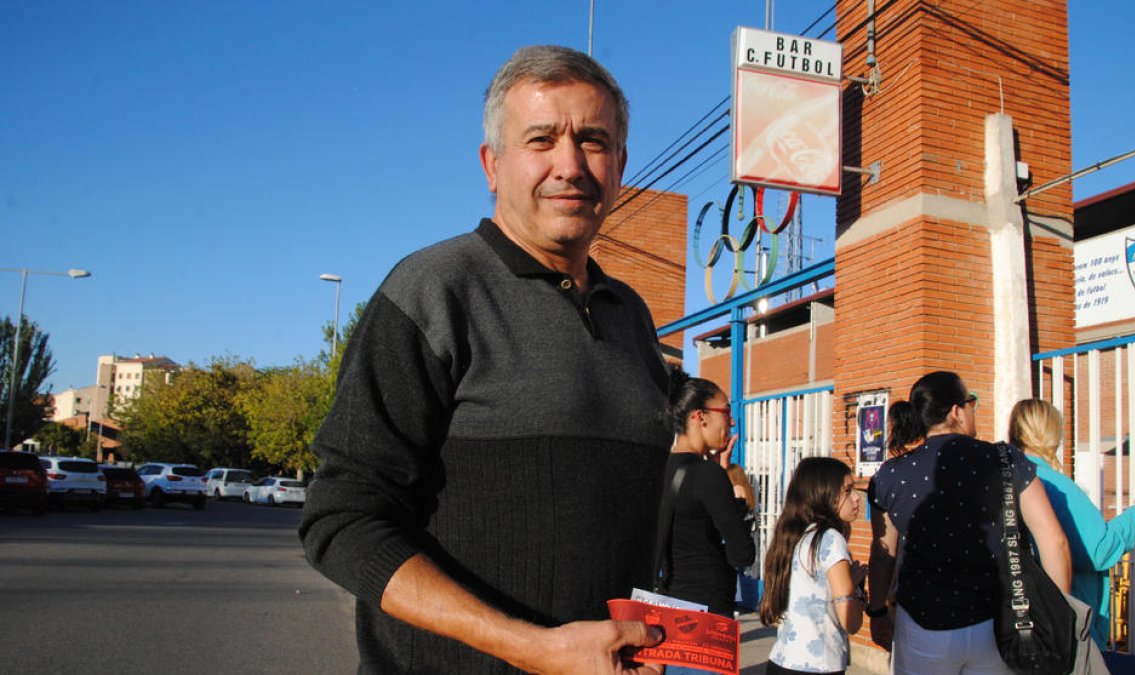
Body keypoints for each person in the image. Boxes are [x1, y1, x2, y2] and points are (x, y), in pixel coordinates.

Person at [300, 45, 674, 674]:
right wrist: (535, 649)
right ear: (492, 165)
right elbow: (341, 521)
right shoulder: (433, 291)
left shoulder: (631, 316)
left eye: (593, 140)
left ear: (619, 167)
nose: (570, 164)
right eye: (541, 139)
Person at [866, 371, 1072, 675]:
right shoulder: (1005, 459)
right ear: (956, 411)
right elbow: (1054, 540)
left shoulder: (890, 475)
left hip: (922, 623)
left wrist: (878, 609)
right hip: (998, 624)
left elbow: (884, 552)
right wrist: (1057, 618)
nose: (973, 408)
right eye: (971, 402)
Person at [1008, 398, 1135, 646]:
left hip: (1016, 616)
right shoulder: (1056, 485)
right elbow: (1098, 550)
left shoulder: (1007, 476)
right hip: (1067, 620)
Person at [655, 369, 754, 649]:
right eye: (725, 411)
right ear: (699, 417)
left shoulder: (660, 466)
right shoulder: (708, 476)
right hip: (706, 615)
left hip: (664, 610)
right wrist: (737, 502)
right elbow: (742, 553)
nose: (732, 421)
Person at [759, 457, 867, 675]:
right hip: (818, 664)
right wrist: (856, 589)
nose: (856, 498)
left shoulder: (795, 536)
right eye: (847, 490)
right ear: (823, 494)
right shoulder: (830, 539)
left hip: (783, 659)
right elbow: (850, 620)